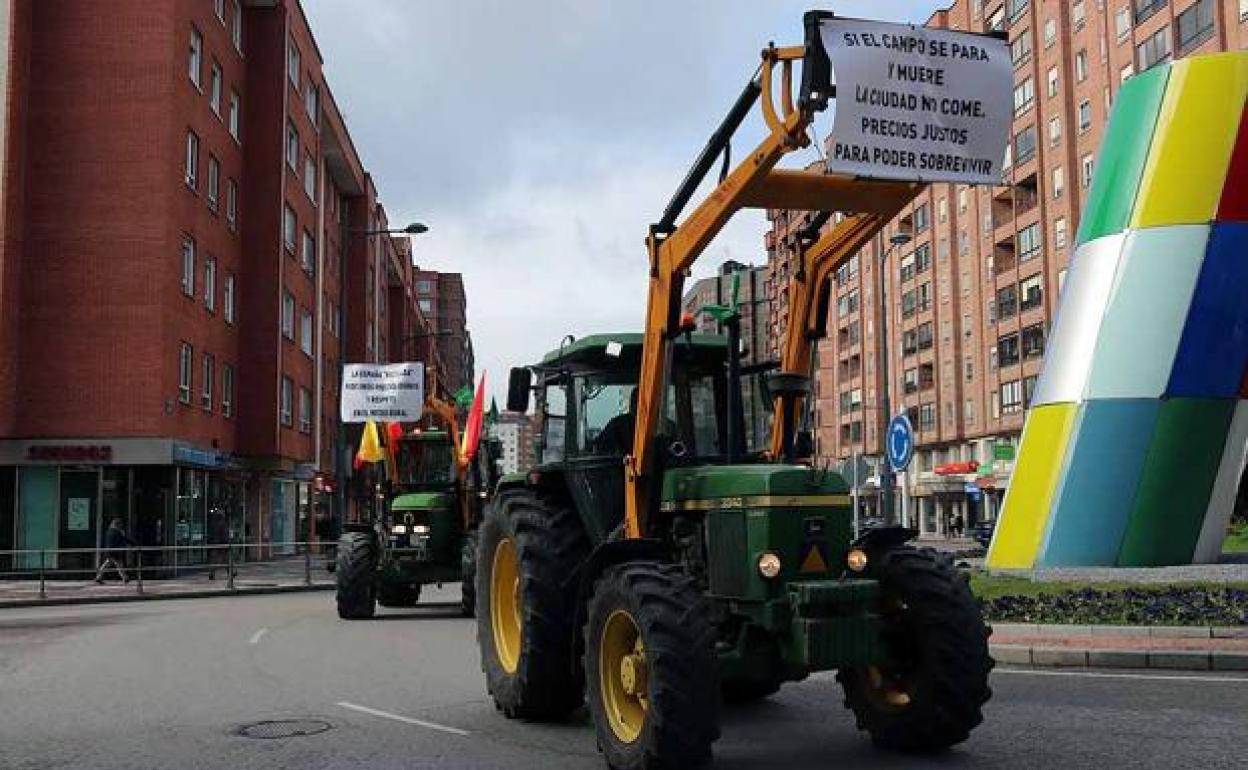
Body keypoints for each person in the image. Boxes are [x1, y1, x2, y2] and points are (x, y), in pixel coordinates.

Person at [95, 518, 131, 584]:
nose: (121, 526)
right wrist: (132, 543)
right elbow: (123, 539)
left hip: (109, 550)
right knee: (119, 564)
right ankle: (125, 578)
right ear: (118, 525)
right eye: (120, 524)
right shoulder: (117, 532)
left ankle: (98, 577)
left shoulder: (109, 531)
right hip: (115, 551)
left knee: (108, 564)